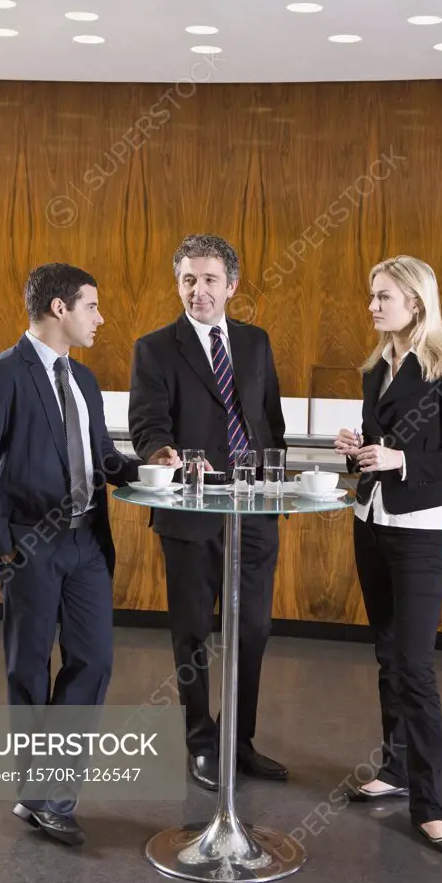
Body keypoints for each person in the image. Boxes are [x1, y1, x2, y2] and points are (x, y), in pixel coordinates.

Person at [0, 262, 178, 846]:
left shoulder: (85, 380)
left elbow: (103, 459)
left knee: (94, 662)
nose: (100, 318)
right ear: (59, 309)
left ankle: (48, 792)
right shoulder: (0, 376)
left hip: (87, 544)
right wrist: (1, 549)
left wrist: (151, 469)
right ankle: (42, 795)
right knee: (28, 670)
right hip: (29, 547)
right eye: (91, 307)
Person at [129, 234, 288, 791]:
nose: (198, 290)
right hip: (191, 515)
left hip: (255, 514)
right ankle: (201, 742)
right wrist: (160, 454)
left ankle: (238, 740)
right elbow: (147, 424)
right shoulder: (154, 348)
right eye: (188, 280)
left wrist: (274, 482)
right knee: (193, 634)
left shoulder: (255, 343)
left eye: (209, 280)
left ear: (232, 286)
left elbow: (271, 421)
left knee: (254, 630)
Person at [335, 255, 442, 857]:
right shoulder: (377, 369)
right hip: (371, 522)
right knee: (388, 653)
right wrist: (357, 451)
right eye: (372, 295)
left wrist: (402, 461)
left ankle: (432, 806)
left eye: (383, 296)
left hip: (421, 530)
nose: (372, 305)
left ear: (415, 303)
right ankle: (394, 769)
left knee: (416, 667)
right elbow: (379, 450)